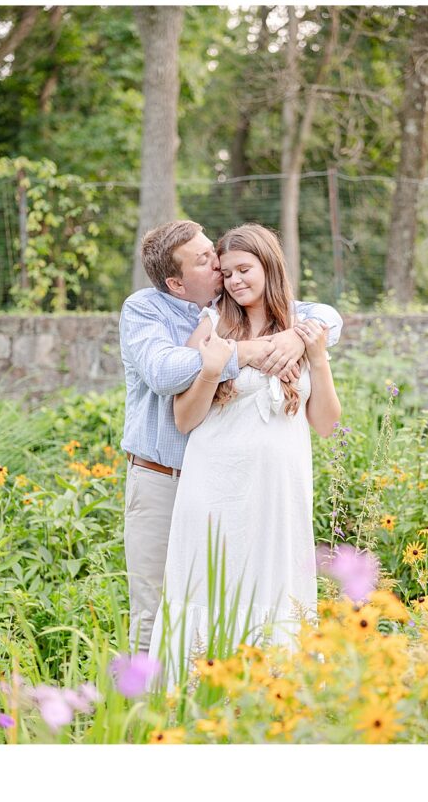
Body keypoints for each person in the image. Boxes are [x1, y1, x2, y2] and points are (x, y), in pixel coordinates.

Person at [119, 219, 342, 654]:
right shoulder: (159, 313)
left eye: (239, 267)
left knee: (268, 599)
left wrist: (305, 343)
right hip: (173, 479)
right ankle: (156, 714)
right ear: (176, 283)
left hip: (269, 491)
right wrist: (239, 355)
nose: (226, 273)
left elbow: (328, 322)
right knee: (164, 611)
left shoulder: (295, 323)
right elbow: (168, 379)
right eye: (210, 262)